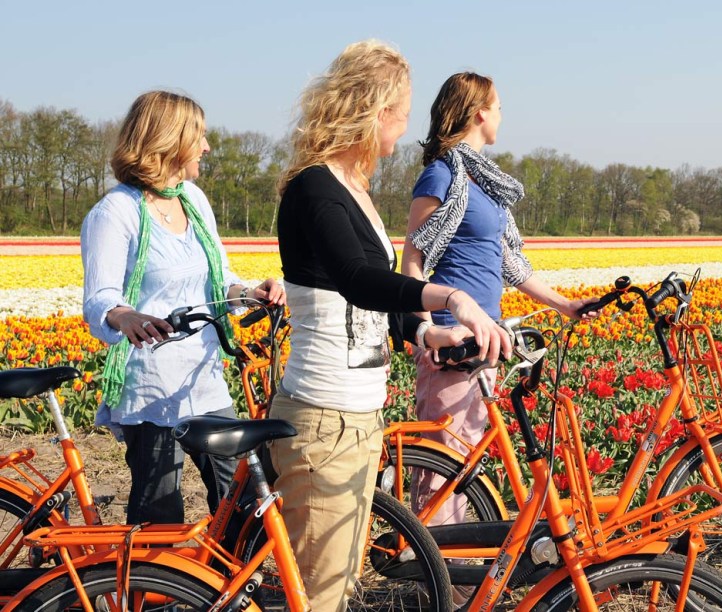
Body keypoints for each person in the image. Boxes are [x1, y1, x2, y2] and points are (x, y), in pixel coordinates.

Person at [270, 41, 511, 611]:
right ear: (376, 111)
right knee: (320, 593)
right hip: (323, 414)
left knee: (341, 576)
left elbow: (377, 292)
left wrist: (428, 332)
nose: (403, 132)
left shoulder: (355, 189)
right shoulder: (314, 187)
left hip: (358, 411)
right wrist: (452, 297)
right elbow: (355, 278)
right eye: (400, 117)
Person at [402, 72, 597, 528]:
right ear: (479, 113)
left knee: (467, 457)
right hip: (454, 340)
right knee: (444, 464)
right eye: (500, 106)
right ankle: (436, 576)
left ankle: (457, 573)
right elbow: (411, 265)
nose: (503, 115)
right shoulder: (441, 174)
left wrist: (564, 306)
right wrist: (429, 332)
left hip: (486, 335)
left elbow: (508, 263)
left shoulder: (482, 182)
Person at [81, 90, 285, 525]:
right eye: (201, 136)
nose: (208, 147)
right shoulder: (115, 212)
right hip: (152, 387)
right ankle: (152, 592)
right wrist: (126, 315)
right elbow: (100, 297)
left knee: (242, 504)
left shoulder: (194, 200)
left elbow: (220, 279)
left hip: (203, 379)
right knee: (161, 514)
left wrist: (250, 292)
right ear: (169, 141)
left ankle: (221, 591)